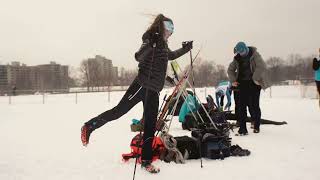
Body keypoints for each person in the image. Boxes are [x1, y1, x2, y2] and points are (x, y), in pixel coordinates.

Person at [80, 14, 193, 173]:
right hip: (142, 85)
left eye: (172, 30)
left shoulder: (162, 44)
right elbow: (138, 57)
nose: (171, 32)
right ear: (161, 27)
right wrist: (151, 44)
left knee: (149, 126)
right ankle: (89, 126)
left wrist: (185, 49)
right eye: (169, 28)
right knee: (118, 112)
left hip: (154, 90)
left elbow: (171, 56)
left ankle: (146, 161)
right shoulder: (149, 38)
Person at [227, 42, 270, 135]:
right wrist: (233, 80)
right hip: (242, 84)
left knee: (254, 105)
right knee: (241, 107)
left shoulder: (255, 55)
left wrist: (255, 78)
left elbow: (261, 66)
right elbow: (230, 70)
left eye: (243, 51)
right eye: (240, 52)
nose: (242, 54)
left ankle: (256, 125)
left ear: (246, 49)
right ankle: (243, 129)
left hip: (254, 83)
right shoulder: (237, 58)